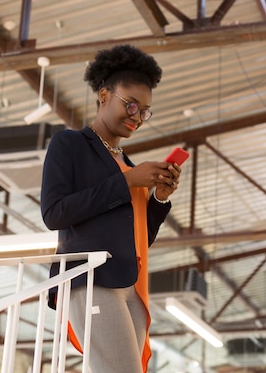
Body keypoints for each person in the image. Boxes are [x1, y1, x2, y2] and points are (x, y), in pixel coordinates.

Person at [40, 44, 181, 373]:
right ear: (104, 95)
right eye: (130, 104)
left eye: (145, 111)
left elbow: (138, 236)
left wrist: (159, 197)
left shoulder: (126, 163)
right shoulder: (70, 144)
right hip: (92, 278)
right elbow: (54, 212)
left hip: (131, 285)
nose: (137, 116)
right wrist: (128, 181)